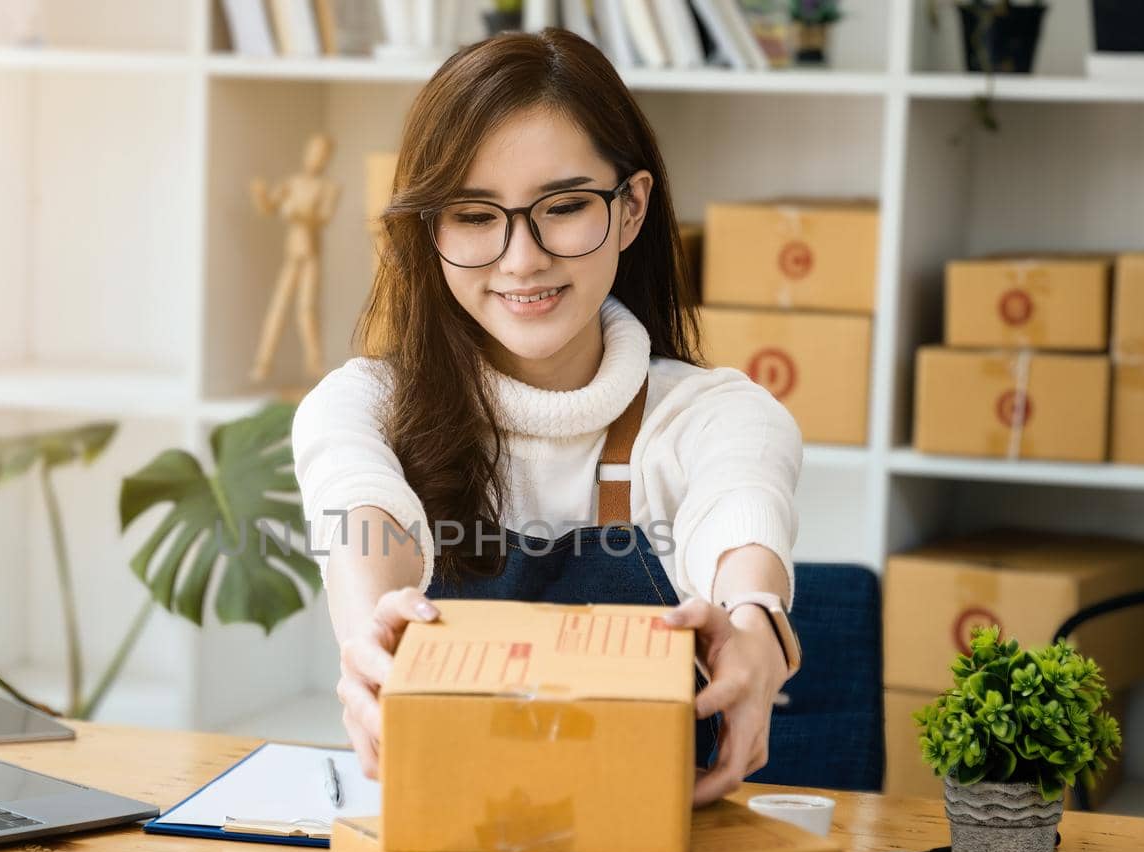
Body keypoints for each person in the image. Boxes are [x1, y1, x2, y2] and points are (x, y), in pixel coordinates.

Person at [291, 29, 803, 807]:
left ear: (630, 208)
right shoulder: (363, 406)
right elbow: (363, 513)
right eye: (473, 214)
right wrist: (372, 637)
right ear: (430, 232)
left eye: (562, 206)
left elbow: (741, 514)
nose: (521, 258)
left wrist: (755, 625)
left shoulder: (715, 415)